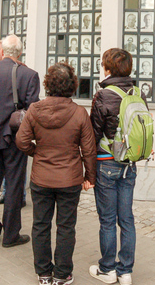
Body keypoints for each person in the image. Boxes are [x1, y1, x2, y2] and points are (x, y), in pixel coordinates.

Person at [16, 63, 97, 285]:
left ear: (48, 84)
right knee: (66, 226)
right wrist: (90, 177)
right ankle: (62, 274)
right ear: (72, 86)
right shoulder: (80, 113)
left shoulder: (34, 109)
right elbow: (89, 149)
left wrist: (38, 152)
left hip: (41, 177)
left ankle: (43, 273)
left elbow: (21, 141)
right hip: (69, 179)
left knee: (40, 224)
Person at [0, 34, 40, 248]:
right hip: (15, 137)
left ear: (3, 50)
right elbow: (32, 110)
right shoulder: (29, 75)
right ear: (20, 53)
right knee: (13, 185)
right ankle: (11, 234)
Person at [89, 49, 146, 285]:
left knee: (107, 219)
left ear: (108, 68)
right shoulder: (138, 93)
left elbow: (93, 134)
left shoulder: (103, 95)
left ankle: (107, 269)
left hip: (106, 163)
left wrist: (88, 170)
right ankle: (126, 272)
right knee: (127, 219)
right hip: (129, 164)